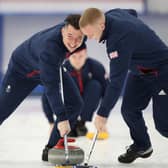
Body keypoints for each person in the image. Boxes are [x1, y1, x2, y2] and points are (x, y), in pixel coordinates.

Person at [79, 8, 168, 163]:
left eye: (91, 34)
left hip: (162, 71)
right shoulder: (112, 14)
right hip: (140, 70)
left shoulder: (117, 40)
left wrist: (102, 113)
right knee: (129, 109)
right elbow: (132, 12)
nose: (91, 38)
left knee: (164, 125)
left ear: (101, 25)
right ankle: (142, 145)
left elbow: (116, 82)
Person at [0, 14, 86, 161]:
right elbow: (51, 88)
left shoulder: (80, 36)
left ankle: (51, 149)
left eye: (79, 38)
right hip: (21, 72)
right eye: (70, 36)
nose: (74, 42)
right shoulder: (50, 48)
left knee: (75, 103)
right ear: (63, 31)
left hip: (50, 67)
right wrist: (62, 118)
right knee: (2, 110)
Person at [41, 44, 109, 137]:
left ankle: (81, 122)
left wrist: (103, 118)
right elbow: (46, 95)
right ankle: (70, 122)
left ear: (86, 54)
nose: (77, 60)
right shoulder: (60, 70)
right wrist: (51, 123)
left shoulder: (96, 67)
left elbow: (107, 93)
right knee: (59, 89)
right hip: (70, 104)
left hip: (87, 101)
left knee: (95, 85)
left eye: (80, 56)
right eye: (74, 57)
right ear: (68, 56)